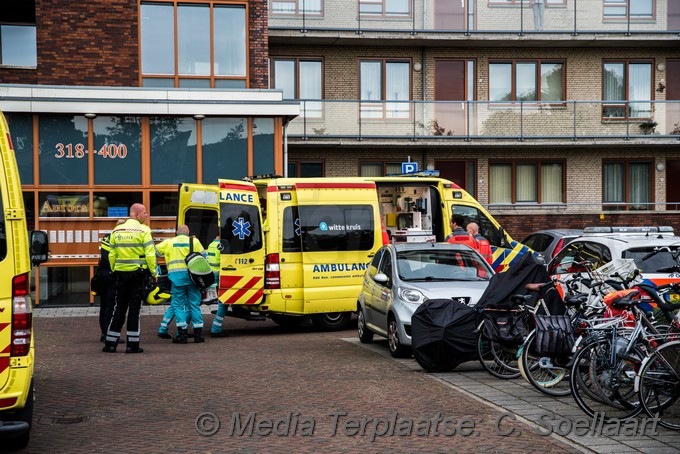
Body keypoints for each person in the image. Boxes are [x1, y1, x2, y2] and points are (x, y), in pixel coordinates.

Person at [103, 203, 158, 353]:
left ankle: (110, 343)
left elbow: (112, 255)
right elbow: (150, 254)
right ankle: (132, 345)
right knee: (134, 309)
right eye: (145, 213)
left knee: (119, 307)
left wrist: (115, 270)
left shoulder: (117, 230)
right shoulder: (144, 230)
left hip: (120, 274)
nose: (146, 216)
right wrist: (154, 273)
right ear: (138, 214)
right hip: (137, 274)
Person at [156, 225, 207, 344]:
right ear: (188, 232)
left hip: (176, 279)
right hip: (192, 278)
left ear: (176, 232)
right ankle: (198, 335)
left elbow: (154, 251)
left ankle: (182, 335)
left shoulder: (169, 242)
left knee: (178, 305)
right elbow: (204, 257)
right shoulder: (194, 241)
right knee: (194, 305)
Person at [98, 219, 126, 343]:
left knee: (103, 305)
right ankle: (109, 333)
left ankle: (103, 332)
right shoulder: (118, 238)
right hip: (112, 274)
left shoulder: (107, 237)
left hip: (102, 274)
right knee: (111, 305)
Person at [208, 234, 229, 338]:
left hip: (211, 275)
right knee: (224, 302)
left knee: (196, 303)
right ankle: (216, 328)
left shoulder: (211, 244)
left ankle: (183, 328)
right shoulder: (222, 246)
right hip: (220, 274)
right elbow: (224, 261)